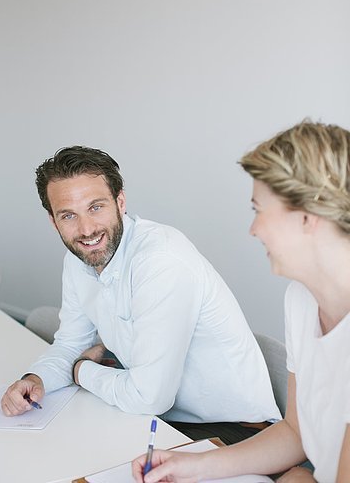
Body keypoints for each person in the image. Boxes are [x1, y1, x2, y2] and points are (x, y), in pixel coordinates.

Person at [1, 145, 280, 444]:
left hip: (234, 429)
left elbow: (149, 398)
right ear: (53, 221)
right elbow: (71, 343)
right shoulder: (78, 259)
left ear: (120, 202)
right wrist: (35, 379)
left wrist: (82, 370)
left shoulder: (161, 261)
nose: (86, 229)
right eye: (68, 216)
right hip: (162, 417)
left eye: (96, 207)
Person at [132, 120, 350, 483]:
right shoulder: (301, 299)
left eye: (258, 209)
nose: (254, 229)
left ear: (307, 216)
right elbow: (296, 433)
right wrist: (192, 465)